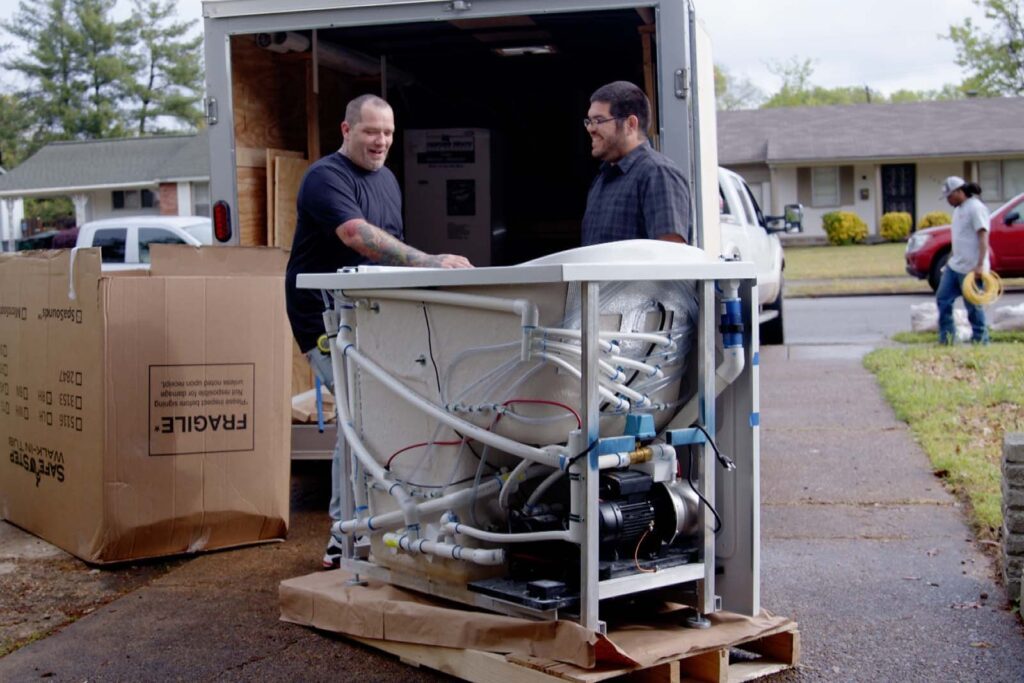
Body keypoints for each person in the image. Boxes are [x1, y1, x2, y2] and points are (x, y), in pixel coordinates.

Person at [284, 94, 472, 569]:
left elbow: (390, 250)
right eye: (371, 131)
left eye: (388, 132)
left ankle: (384, 520)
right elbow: (357, 237)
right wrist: (430, 262)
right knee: (359, 416)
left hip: (373, 315)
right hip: (325, 319)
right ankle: (344, 534)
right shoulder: (325, 178)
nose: (381, 141)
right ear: (346, 131)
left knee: (384, 414)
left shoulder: (387, 179)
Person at [581, 81, 691, 246]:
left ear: (630, 124)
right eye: (589, 121)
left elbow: (671, 254)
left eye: (599, 120)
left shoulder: (658, 174)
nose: (591, 129)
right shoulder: (601, 180)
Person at [936, 176, 990, 345]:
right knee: (943, 299)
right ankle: (947, 339)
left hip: (971, 269)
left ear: (959, 191)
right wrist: (948, 261)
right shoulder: (958, 210)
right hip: (954, 266)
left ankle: (980, 341)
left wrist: (980, 265)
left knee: (973, 306)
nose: (948, 201)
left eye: (950, 196)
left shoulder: (976, 208)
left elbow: (983, 236)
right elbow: (958, 239)